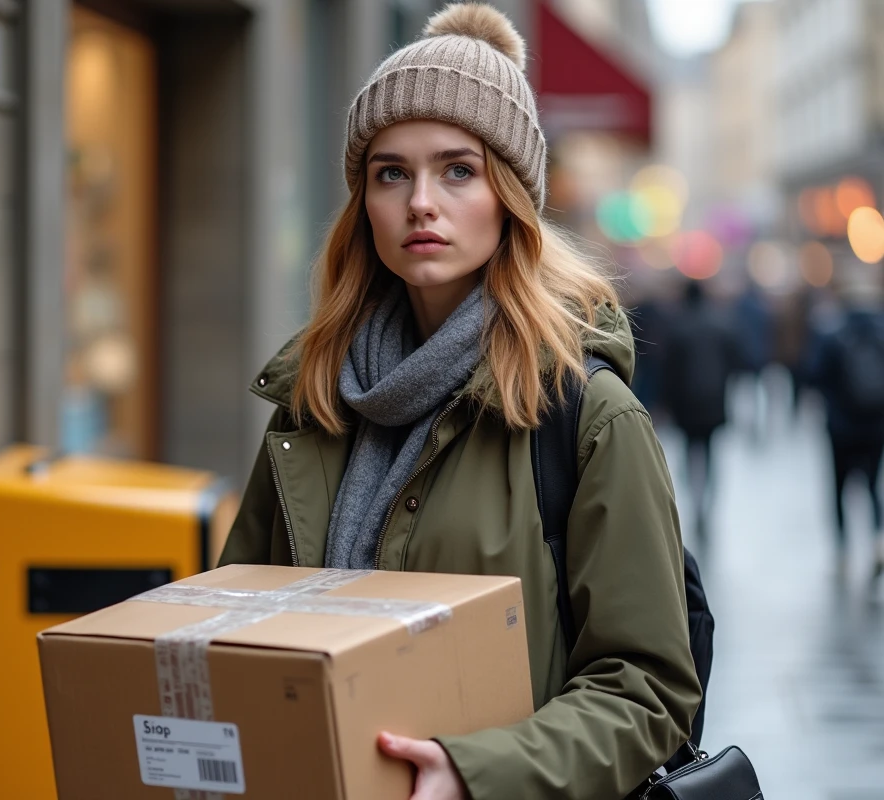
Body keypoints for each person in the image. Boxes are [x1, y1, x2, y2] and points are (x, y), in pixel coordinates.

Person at [218, 5, 700, 799]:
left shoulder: (586, 415)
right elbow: (238, 626)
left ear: (510, 195)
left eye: (458, 171)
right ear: (364, 202)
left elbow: (649, 691)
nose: (420, 202)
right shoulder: (313, 403)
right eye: (391, 173)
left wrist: (474, 774)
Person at [808, 274, 884, 584]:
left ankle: (842, 552)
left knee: (838, 488)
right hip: (876, 425)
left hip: (839, 426)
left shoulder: (831, 333)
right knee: (872, 485)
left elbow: (814, 375)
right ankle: (878, 539)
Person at [660, 280, 740, 541]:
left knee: (689, 451)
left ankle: (695, 501)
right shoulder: (720, 324)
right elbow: (734, 362)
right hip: (714, 401)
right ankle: (706, 500)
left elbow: (668, 372)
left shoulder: (677, 327)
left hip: (686, 403)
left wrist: (666, 403)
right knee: (709, 452)